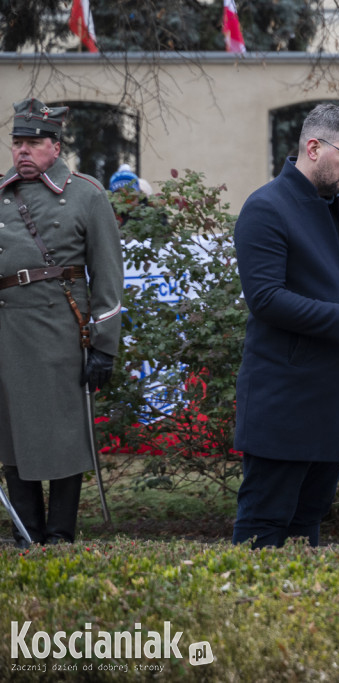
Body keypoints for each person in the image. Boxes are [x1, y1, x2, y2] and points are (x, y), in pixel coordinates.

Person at [231, 103, 339, 549]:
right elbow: (266, 299)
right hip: (284, 400)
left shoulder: (337, 209)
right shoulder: (266, 207)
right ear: (312, 147)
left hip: (331, 400)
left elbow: (334, 292)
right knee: (264, 530)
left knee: (307, 535)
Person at [0, 98, 124, 547]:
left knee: (64, 438)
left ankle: (60, 534)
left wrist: (104, 346)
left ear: (55, 146)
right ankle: (25, 532)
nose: (23, 152)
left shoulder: (87, 194)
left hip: (62, 333)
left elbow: (108, 279)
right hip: (7, 334)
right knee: (13, 438)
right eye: (17, 143)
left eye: (33, 143)